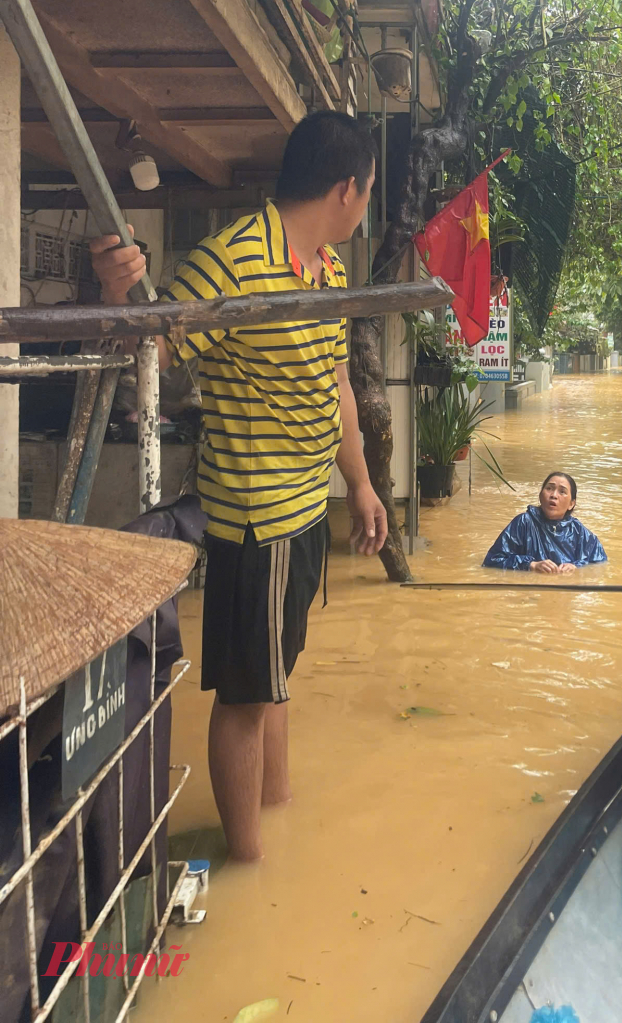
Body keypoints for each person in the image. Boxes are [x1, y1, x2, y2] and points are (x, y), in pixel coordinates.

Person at [89, 112, 389, 862]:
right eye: (371, 192)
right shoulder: (229, 260)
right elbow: (153, 349)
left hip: (304, 515)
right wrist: (119, 291)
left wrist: (360, 484)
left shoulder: (327, 268)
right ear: (348, 189)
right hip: (252, 520)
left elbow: (337, 380)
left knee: (272, 678)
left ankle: (276, 812)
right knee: (244, 697)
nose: (368, 205)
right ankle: (249, 864)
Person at [483, 472, 607, 572]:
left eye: (562, 491)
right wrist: (531, 565)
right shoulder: (523, 523)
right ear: (540, 496)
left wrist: (576, 567)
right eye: (549, 488)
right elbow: (492, 561)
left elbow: (600, 566)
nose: (553, 495)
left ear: (571, 504)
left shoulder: (580, 533)